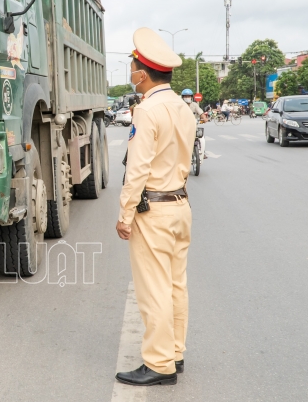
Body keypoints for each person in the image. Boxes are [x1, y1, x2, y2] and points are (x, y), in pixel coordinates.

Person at [115, 28, 196, 387]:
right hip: (180, 205)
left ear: (142, 74)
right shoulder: (184, 107)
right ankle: (175, 353)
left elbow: (138, 170)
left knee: (154, 289)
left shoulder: (147, 110)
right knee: (176, 284)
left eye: (132, 68)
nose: (130, 74)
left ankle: (159, 363)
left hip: (154, 209)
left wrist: (125, 214)